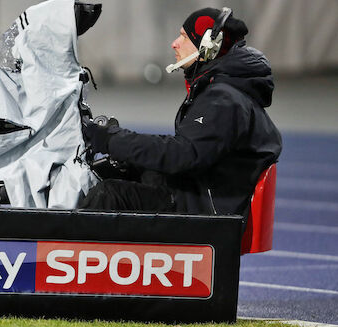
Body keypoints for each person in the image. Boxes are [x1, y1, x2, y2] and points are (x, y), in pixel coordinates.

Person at [80, 8, 282, 217]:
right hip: (206, 195)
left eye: (184, 37)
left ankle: (59, 247)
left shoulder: (224, 100)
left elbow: (184, 154)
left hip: (209, 213)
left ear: (208, 47)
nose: (174, 43)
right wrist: (125, 152)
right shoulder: (226, 91)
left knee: (108, 195)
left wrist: (112, 140)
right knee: (127, 169)